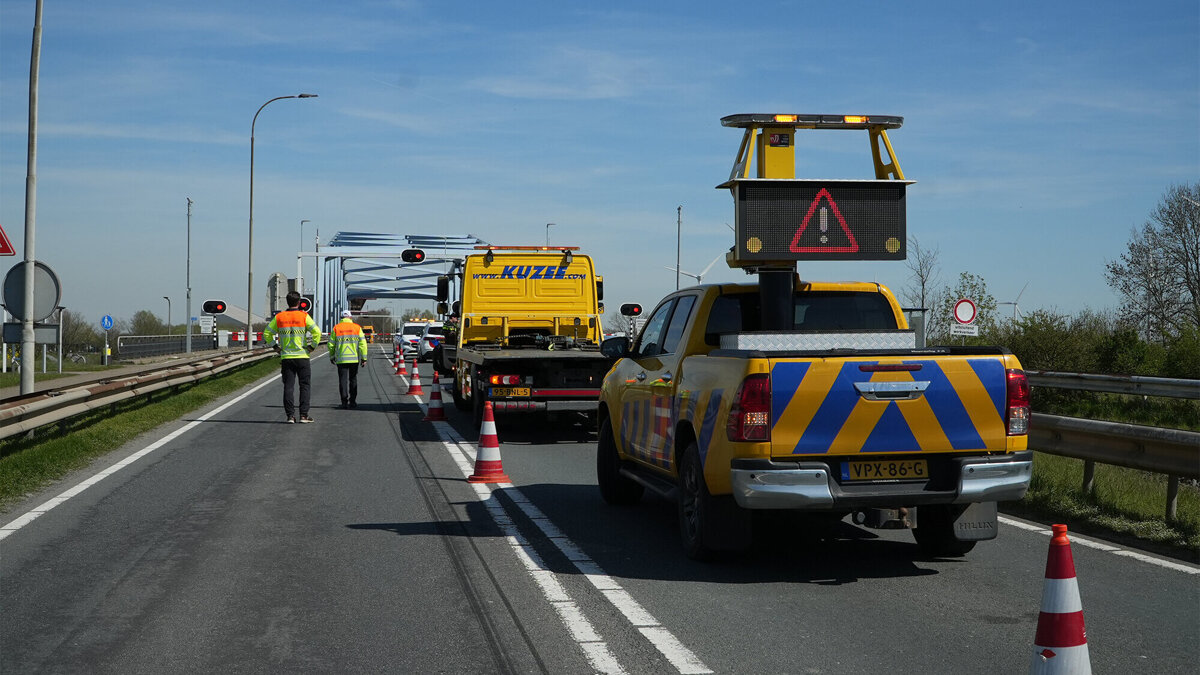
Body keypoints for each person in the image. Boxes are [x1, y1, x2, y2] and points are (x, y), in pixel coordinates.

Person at [263, 291, 322, 423]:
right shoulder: (304, 316)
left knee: (288, 387)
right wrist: (312, 347)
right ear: (299, 302)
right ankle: (304, 415)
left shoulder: (279, 317)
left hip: (286, 357)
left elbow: (267, 333)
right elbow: (317, 332)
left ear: (287, 302)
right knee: (304, 386)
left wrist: (275, 347)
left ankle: (290, 416)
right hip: (302, 356)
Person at [329, 310, 368, 408]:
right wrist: (364, 358)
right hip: (354, 359)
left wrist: (332, 356)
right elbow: (363, 344)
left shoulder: (336, 328)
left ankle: (344, 402)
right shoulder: (357, 328)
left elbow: (331, 344)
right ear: (350, 317)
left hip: (341, 359)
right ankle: (353, 401)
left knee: (343, 380)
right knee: (353, 379)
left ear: (341, 318)